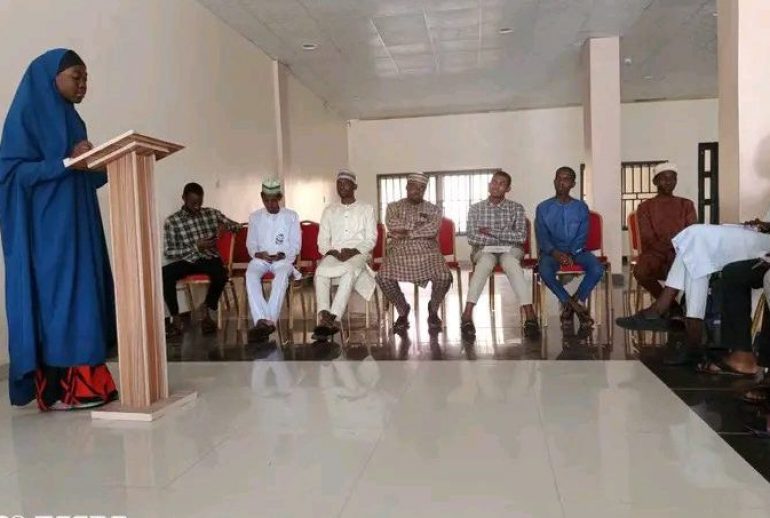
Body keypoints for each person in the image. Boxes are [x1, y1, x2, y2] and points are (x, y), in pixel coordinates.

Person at [0, 49, 118, 410]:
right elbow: (13, 174)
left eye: (85, 79)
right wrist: (67, 161)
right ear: (51, 78)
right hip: (48, 233)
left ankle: (87, 384)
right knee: (61, 300)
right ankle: (60, 388)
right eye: (76, 77)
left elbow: (77, 176)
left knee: (83, 295)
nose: (83, 85)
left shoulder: (73, 120)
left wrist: (101, 164)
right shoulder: (27, 118)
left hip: (79, 227)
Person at [617, 212, 770, 362]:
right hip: (762, 235)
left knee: (695, 238)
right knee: (696, 243)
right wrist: (760, 224)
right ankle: (692, 333)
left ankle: (666, 313)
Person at [462, 170, 539, 337]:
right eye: (494, 182)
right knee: (484, 263)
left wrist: (491, 232)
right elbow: (472, 237)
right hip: (483, 251)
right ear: (489, 185)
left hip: (510, 251)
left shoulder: (516, 208)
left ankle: (530, 315)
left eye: (501, 183)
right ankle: (467, 315)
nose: (496, 186)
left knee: (511, 262)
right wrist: (503, 236)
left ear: (508, 188)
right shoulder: (476, 209)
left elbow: (520, 236)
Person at [162, 182, 241, 336]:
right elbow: (169, 252)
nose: (197, 207)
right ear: (183, 198)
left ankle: (207, 310)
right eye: (193, 203)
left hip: (210, 258)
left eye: (200, 202)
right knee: (164, 275)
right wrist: (196, 247)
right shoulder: (172, 221)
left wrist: (226, 227)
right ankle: (176, 318)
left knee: (221, 274)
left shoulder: (211, 213)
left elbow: (238, 226)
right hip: (188, 260)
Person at [376, 172, 452, 332]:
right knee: (383, 277)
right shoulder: (393, 206)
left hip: (428, 251)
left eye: (421, 187)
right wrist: (418, 226)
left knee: (444, 276)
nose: (417, 190)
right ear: (406, 187)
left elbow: (432, 229)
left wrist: (407, 232)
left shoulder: (434, 209)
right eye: (413, 186)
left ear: (425, 189)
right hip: (399, 250)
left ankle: (433, 308)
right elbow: (392, 225)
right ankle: (403, 310)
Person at [535, 166, 603, 329]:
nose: (561, 182)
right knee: (544, 271)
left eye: (566, 179)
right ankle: (571, 304)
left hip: (577, 251)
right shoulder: (543, 208)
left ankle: (573, 303)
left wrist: (572, 252)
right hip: (551, 253)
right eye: (558, 178)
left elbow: (582, 234)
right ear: (554, 181)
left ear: (573, 184)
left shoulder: (581, 207)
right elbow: (542, 236)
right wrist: (555, 252)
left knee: (597, 268)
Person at [314, 169, 377, 337]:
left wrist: (354, 250)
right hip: (334, 254)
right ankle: (324, 313)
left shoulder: (366, 208)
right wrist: (332, 251)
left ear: (355, 186)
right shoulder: (329, 210)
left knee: (349, 270)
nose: (342, 187)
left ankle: (334, 317)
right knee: (320, 271)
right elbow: (322, 241)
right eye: (339, 184)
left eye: (346, 183)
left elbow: (371, 239)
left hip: (358, 253)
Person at [245, 178, 301, 340]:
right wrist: (258, 254)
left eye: (274, 200)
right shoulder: (255, 217)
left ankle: (266, 322)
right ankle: (263, 320)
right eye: (266, 200)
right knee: (250, 275)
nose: (270, 204)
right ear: (262, 197)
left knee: (281, 277)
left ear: (279, 198)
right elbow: (251, 244)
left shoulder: (291, 216)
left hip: (283, 259)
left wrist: (282, 254)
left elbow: (296, 245)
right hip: (261, 259)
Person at [634, 163, 697, 300]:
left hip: (681, 252)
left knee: (694, 268)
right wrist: (666, 251)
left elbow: (692, 233)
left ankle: (669, 307)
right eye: (664, 178)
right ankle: (672, 307)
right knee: (640, 271)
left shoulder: (686, 204)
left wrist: (676, 250)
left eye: (672, 178)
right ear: (655, 181)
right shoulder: (645, 207)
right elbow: (647, 236)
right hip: (655, 253)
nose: (669, 182)